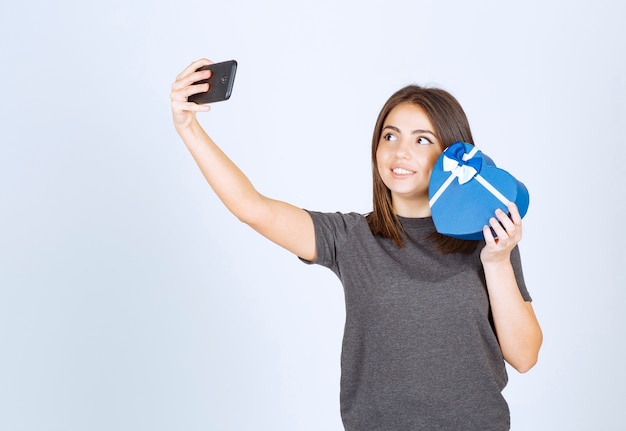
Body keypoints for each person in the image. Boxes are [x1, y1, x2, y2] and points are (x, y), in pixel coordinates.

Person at [170, 58, 543, 431]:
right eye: (390, 136)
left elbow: (524, 356)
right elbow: (253, 208)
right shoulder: (351, 238)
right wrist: (188, 128)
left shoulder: (488, 238)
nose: (400, 152)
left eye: (422, 139)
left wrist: (496, 261)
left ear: (451, 153)